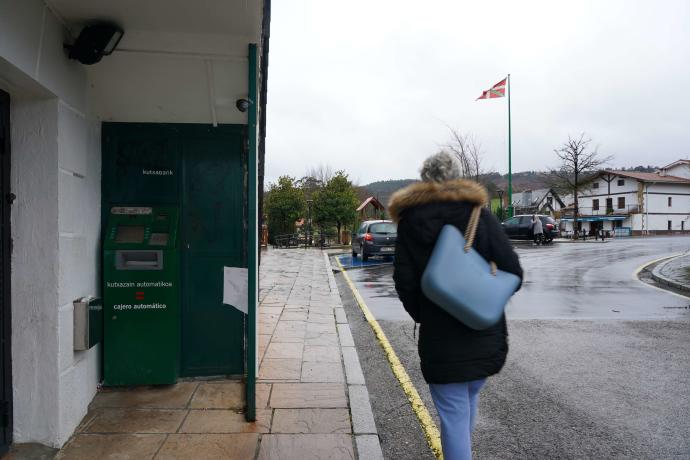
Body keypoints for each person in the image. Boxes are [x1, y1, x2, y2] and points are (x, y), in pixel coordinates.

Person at [389, 152, 523, 460]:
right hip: (483, 333)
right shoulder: (477, 214)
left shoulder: (410, 221)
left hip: (440, 338)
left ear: (426, 178)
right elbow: (513, 272)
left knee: (453, 417)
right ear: (458, 175)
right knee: (465, 405)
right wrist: (483, 300)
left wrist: (425, 313)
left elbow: (404, 281)